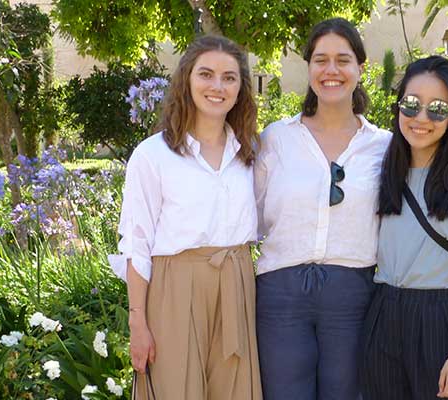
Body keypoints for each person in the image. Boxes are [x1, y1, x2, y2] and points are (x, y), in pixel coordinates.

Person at [108, 35, 262, 400]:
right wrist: (137, 322)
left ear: (240, 88)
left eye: (229, 78)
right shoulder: (153, 155)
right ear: (187, 81)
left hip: (236, 284)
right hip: (175, 289)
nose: (217, 86)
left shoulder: (251, 153)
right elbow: (137, 242)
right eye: (206, 74)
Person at [253, 17, 392, 400]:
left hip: (353, 296)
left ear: (361, 69)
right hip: (280, 295)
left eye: (343, 60)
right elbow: (248, 214)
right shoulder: (276, 139)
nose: (331, 70)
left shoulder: (385, 147)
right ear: (309, 67)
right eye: (321, 60)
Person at [360, 55, 448, 400]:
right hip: (385, 311)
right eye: (411, 105)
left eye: (437, 109)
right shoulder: (384, 174)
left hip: (439, 317)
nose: (421, 118)